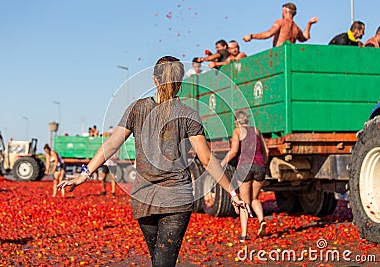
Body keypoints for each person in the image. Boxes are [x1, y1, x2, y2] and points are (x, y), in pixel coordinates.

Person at [57, 56, 246, 267]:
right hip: (176, 199)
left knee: (159, 260)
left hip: (144, 198)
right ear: (180, 84)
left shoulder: (137, 109)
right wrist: (232, 192)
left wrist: (85, 173)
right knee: (162, 262)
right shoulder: (188, 114)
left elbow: (111, 145)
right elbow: (206, 159)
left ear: (155, 80)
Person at [221, 110, 269, 241]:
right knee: (254, 198)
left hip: (244, 168)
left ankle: (244, 234)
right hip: (260, 167)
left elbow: (234, 151)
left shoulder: (237, 131)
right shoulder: (256, 130)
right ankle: (262, 221)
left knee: (244, 201)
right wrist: (261, 164)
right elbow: (267, 151)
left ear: (236, 121)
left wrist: (222, 164)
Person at [243, 2, 318, 47]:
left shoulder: (281, 22)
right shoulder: (296, 28)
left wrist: (251, 36)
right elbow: (304, 38)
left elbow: (268, 34)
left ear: (285, 11)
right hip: (290, 56)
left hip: (279, 55)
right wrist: (309, 24)